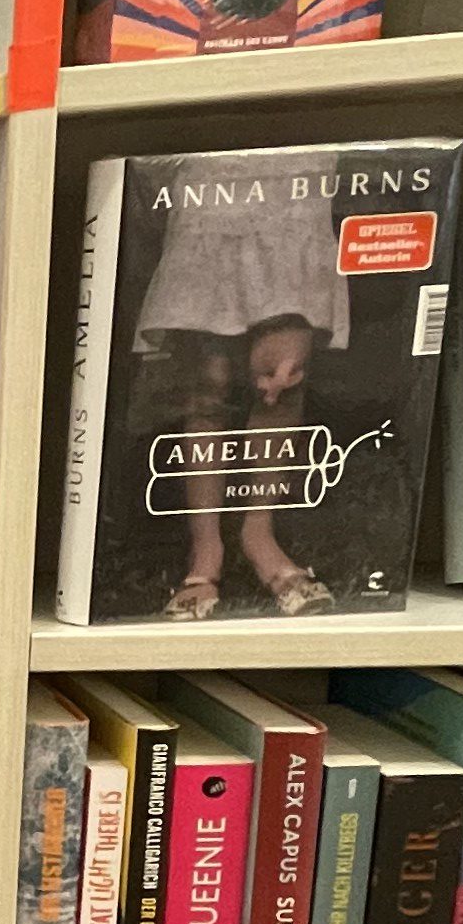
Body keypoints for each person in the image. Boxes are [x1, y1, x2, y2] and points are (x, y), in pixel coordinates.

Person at [126, 163, 347, 618]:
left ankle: (258, 533)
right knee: (207, 381)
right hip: (213, 175)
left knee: (282, 375)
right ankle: (205, 550)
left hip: (295, 173)